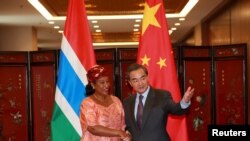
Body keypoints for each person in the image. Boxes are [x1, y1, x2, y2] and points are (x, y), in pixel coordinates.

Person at [123, 63, 195, 141]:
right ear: (130, 83)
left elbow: (176, 109)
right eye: (135, 80)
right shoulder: (127, 102)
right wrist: (127, 133)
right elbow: (128, 126)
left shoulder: (162, 96)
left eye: (143, 78)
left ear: (147, 78)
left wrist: (185, 101)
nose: (140, 83)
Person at [80, 65, 131, 141]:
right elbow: (93, 128)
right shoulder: (87, 103)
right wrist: (118, 132)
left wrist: (127, 135)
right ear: (93, 85)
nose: (106, 85)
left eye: (107, 81)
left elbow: (122, 126)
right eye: (102, 82)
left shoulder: (116, 100)